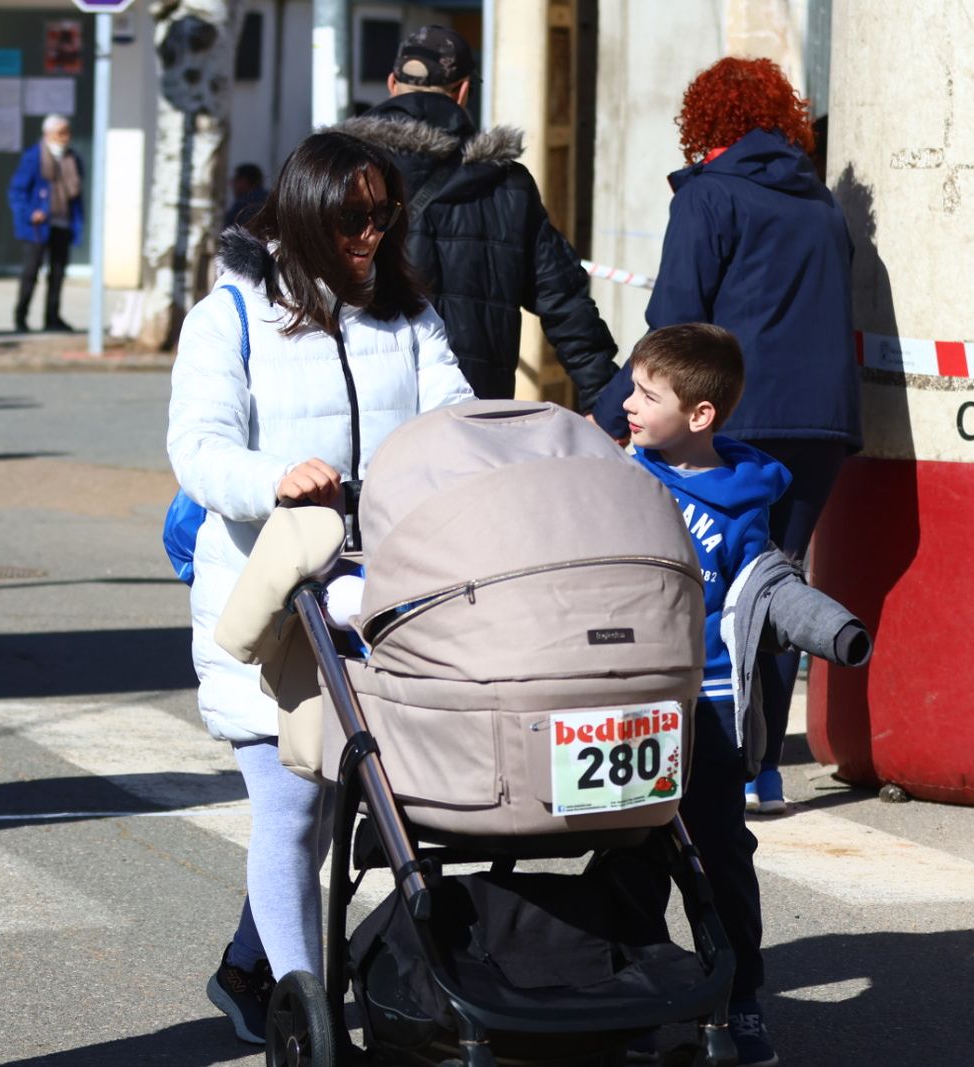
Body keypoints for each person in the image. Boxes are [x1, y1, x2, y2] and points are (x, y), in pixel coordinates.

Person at [167, 130, 474, 1044]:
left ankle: (245, 964)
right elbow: (199, 449)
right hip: (274, 600)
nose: (371, 235)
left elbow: (452, 415)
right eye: (352, 216)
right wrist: (273, 478)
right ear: (303, 212)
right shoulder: (229, 316)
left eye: (385, 216)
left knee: (353, 801)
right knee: (295, 801)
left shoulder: (407, 316)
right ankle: (306, 1007)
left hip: (380, 597)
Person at [591, 57, 860, 816]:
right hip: (825, 426)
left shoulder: (709, 197)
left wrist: (610, 413)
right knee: (775, 587)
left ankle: (716, 758)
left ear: (703, 122)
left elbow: (671, 325)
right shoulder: (821, 204)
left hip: (734, 417)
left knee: (709, 588)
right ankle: (760, 768)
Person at [615, 323, 790, 1067]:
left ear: (701, 415)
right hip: (635, 701)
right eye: (632, 385)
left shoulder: (747, 499)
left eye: (647, 394)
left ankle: (739, 993)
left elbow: (757, 596)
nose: (628, 402)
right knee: (630, 854)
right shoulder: (623, 472)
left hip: (710, 704)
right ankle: (637, 996)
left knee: (720, 855)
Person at [340, 25, 620, 412]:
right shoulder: (507, 182)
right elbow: (564, 300)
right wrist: (605, 398)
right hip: (475, 407)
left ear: (392, 84)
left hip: (367, 400)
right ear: (463, 91)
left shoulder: (338, 171)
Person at [7, 113, 83, 332]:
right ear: (47, 134)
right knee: (30, 273)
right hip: (38, 227)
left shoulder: (72, 158)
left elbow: (76, 194)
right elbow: (17, 191)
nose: (65, 137)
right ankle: (20, 317)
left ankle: (52, 317)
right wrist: (30, 213)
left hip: (63, 223)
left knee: (57, 274)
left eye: (67, 132)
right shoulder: (33, 157)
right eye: (61, 133)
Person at [223, 162, 268, 229]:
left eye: (235, 180)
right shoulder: (270, 199)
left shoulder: (243, 204)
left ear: (243, 181)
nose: (233, 186)